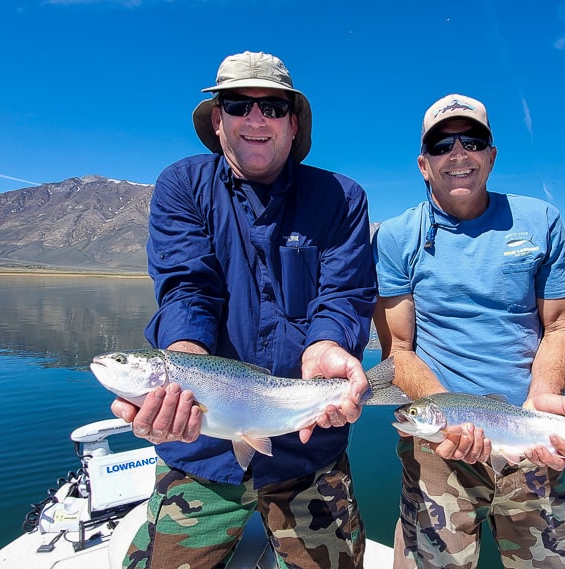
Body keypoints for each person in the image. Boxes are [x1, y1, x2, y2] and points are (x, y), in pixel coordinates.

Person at [109, 51, 377, 569]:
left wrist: (329, 346)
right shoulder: (182, 186)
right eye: (238, 104)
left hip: (308, 445)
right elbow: (188, 288)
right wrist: (182, 363)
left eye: (273, 107)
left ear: (292, 122)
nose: (256, 119)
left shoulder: (341, 198)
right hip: (200, 454)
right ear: (218, 119)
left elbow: (343, 295)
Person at [372, 94, 565, 568]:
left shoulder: (539, 221)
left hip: (532, 437)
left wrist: (546, 390)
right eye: (441, 144)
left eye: (472, 141)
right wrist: (445, 417)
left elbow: (559, 327)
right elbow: (399, 351)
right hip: (437, 447)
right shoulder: (394, 237)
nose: (458, 153)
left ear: (491, 155)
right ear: (423, 164)